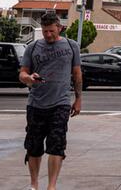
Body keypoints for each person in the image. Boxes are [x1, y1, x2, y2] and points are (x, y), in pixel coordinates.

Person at [19, 13, 82, 190]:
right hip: (35, 104)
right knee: (34, 146)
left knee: (57, 145)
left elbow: (77, 74)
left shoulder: (72, 46)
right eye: (45, 31)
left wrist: (78, 99)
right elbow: (22, 73)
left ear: (59, 28)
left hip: (60, 103)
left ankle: (51, 186)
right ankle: (34, 184)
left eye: (51, 31)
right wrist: (29, 78)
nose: (47, 35)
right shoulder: (32, 47)